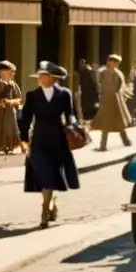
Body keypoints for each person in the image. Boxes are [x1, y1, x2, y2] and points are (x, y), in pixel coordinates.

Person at [17, 60, 80, 228]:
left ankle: (51, 201)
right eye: (39, 75)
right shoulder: (32, 95)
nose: (40, 78)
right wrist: (23, 138)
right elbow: (26, 118)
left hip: (58, 139)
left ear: (53, 78)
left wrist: (73, 126)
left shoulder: (64, 94)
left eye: (43, 75)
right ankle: (45, 209)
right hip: (38, 140)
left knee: (52, 175)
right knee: (44, 174)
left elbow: (70, 115)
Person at [90, 54, 132, 151]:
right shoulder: (103, 73)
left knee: (118, 123)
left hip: (115, 101)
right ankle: (104, 145)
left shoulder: (118, 74)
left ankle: (125, 141)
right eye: (111, 62)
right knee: (107, 123)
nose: (113, 64)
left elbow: (120, 87)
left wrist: (122, 96)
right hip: (106, 101)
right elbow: (100, 85)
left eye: (115, 63)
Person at [0, 60, 23, 160]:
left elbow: (19, 99)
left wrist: (11, 102)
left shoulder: (14, 85)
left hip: (10, 112)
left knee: (11, 127)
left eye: (13, 71)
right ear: (1, 72)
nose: (12, 74)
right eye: (10, 71)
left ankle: (9, 146)